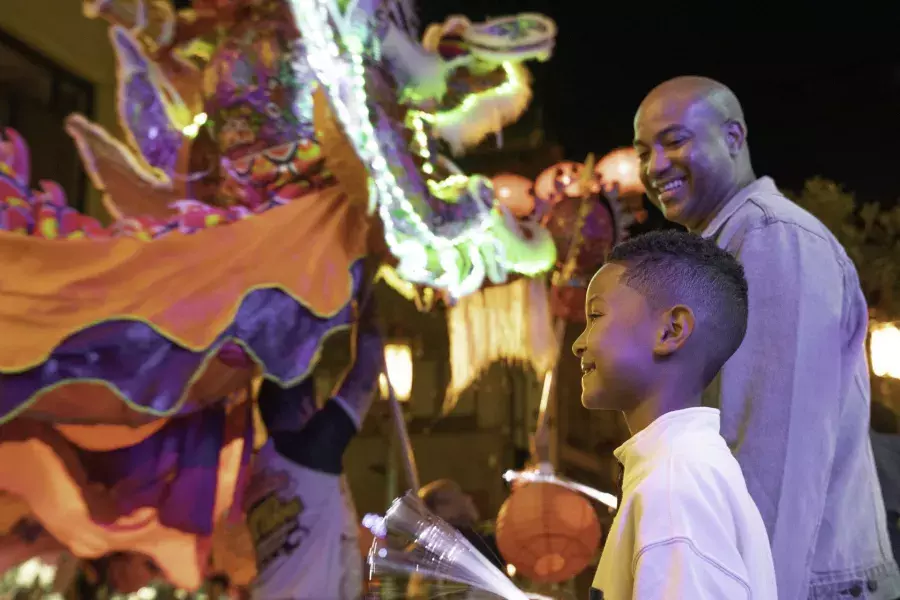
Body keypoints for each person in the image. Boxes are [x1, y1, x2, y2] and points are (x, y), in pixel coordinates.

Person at [632, 75, 900, 599]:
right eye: (643, 151)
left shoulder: (771, 240)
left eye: (674, 140)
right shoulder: (723, 249)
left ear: (734, 138)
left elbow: (772, 457)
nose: (654, 166)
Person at [573, 231, 777, 599]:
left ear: (671, 330)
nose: (579, 343)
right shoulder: (680, 470)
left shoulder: (672, 486)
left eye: (595, 316)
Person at [244, 276, 382, 599]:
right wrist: (367, 287)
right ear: (309, 404)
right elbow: (367, 369)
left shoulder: (267, 466)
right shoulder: (308, 454)